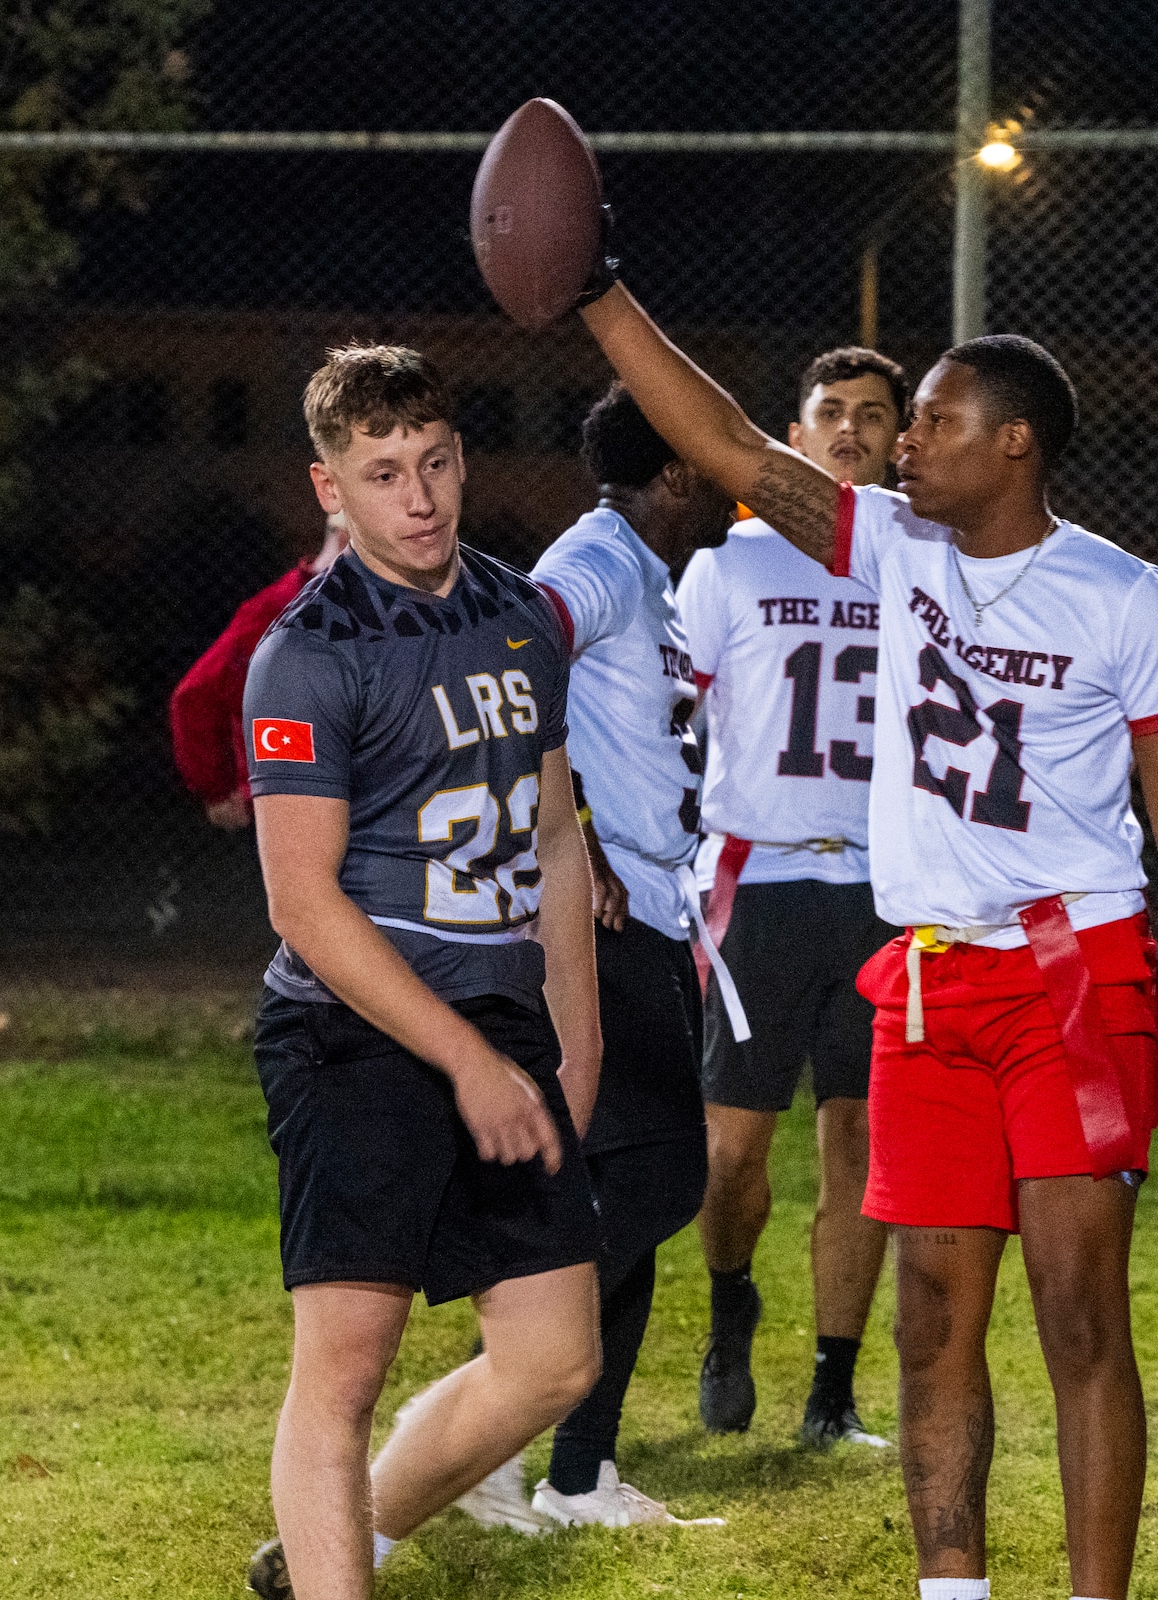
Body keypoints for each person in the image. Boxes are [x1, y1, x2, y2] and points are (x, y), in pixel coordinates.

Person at [573, 258, 1158, 1600]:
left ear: (1015, 444)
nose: (906, 442)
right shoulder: (892, 546)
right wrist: (596, 292)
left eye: (936, 419)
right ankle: (953, 1594)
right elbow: (722, 441)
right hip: (932, 982)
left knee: (1076, 1313)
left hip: (1075, 974)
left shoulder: (1127, 598)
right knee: (933, 1315)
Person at [240, 345, 605, 1600]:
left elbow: (558, 836)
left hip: (501, 1019)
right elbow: (302, 900)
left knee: (557, 1357)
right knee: (345, 1363)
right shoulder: (306, 652)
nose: (419, 496)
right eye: (382, 471)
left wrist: (573, 1041)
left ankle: (331, 1545)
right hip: (354, 1030)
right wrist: (462, 1060)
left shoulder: (518, 613)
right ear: (327, 486)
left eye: (436, 461)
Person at [452, 382, 733, 1534]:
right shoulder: (602, 560)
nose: (726, 470)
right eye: (708, 455)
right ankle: (490, 1417)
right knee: (658, 1179)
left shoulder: (648, 573)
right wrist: (571, 846)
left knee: (633, 1186)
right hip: (601, 929)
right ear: (671, 472)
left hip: (658, 919)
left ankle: (579, 1474)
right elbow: (508, 662)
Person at [676, 345, 907, 1449]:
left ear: (898, 438)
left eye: (872, 414)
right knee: (731, 1154)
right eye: (831, 411)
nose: (851, 430)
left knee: (859, 1145)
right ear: (794, 433)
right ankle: (729, 1300)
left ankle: (832, 1387)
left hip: (879, 885)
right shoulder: (728, 566)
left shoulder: (922, 562)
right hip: (756, 878)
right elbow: (675, 724)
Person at [169, 513, 348, 828]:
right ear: (349, 537)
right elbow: (198, 695)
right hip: (304, 809)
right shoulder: (279, 611)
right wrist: (218, 789)